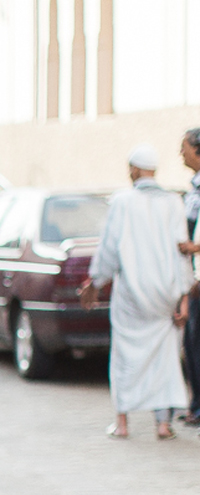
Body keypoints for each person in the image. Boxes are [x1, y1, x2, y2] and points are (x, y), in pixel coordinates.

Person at [81, 144, 191, 441]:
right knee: (165, 357)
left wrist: (95, 281)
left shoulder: (122, 202)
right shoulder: (173, 203)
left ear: (134, 169)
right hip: (165, 295)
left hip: (131, 295)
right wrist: (183, 297)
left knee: (125, 356)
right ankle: (163, 425)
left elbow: (109, 248)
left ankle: (122, 423)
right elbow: (183, 252)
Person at [179, 129, 200, 426]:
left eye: (183, 147)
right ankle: (196, 403)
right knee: (192, 342)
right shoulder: (192, 188)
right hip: (192, 276)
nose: (180, 153)